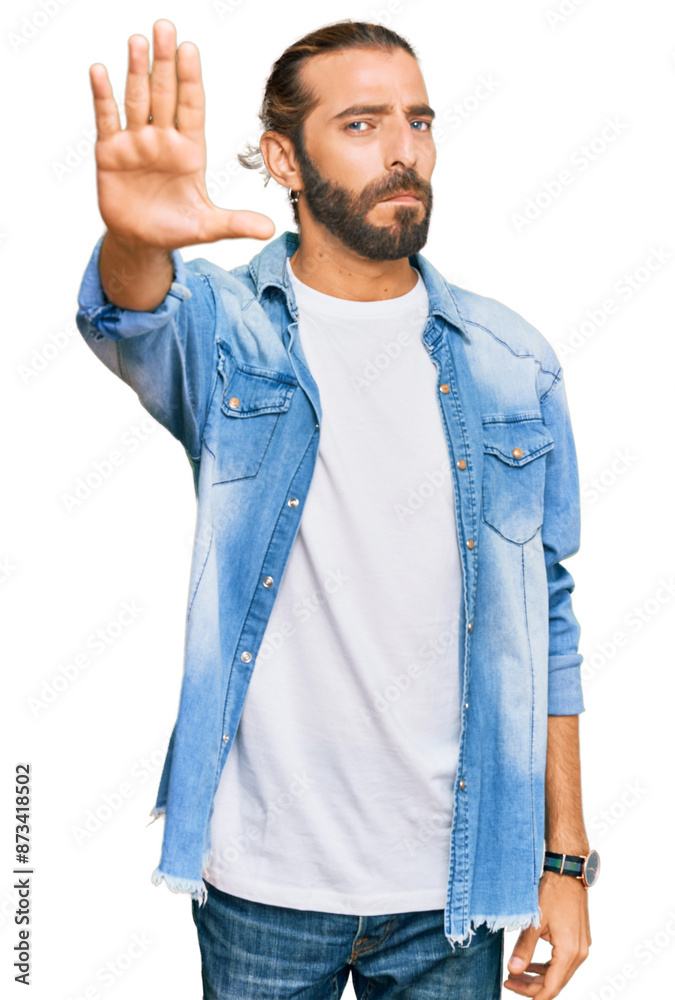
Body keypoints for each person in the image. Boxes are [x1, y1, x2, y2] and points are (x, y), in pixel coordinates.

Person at [75, 17, 596, 1000]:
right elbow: (130, 318)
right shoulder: (228, 331)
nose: (403, 150)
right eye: (361, 124)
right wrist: (133, 237)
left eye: (419, 121)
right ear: (284, 157)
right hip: (263, 883)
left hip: (451, 888)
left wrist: (564, 862)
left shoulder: (509, 360)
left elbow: (550, 618)